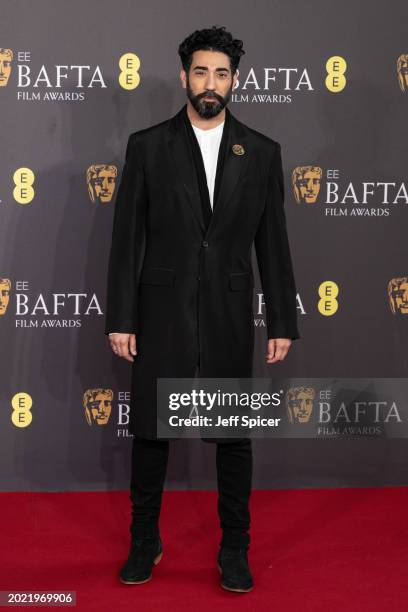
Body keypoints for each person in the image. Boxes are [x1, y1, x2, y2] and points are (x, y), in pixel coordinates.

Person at [105, 25, 300, 593]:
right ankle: (146, 542)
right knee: (151, 433)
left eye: (220, 73)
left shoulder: (262, 152)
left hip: (228, 311)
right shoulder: (147, 146)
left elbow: (274, 244)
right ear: (184, 75)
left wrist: (283, 320)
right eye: (200, 71)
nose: (210, 83)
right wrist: (122, 316)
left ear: (234, 80)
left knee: (232, 435)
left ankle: (234, 548)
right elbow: (127, 240)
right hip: (159, 307)